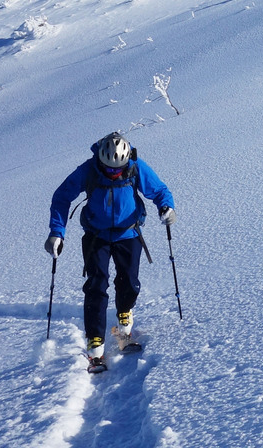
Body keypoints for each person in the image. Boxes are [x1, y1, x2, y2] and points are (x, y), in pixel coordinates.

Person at [45, 131, 176, 370]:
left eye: (118, 169)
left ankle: (124, 313)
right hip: (97, 236)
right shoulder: (88, 170)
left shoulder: (136, 167)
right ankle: (95, 340)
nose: (113, 173)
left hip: (129, 233)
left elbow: (158, 191)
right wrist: (57, 232)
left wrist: (166, 207)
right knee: (97, 285)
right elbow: (62, 197)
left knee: (130, 282)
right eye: (109, 169)